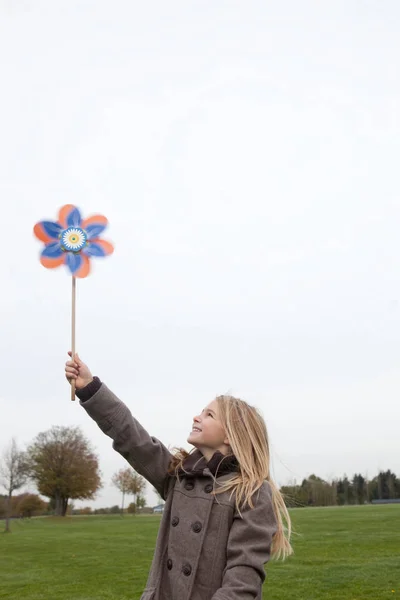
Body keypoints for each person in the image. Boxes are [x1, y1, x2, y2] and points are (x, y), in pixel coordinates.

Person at [65, 352, 292, 600]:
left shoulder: (252, 492)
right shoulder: (177, 476)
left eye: (209, 415)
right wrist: (89, 387)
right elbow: (132, 437)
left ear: (230, 436)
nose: (197, 416)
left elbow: (243, 579)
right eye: (201, 411)